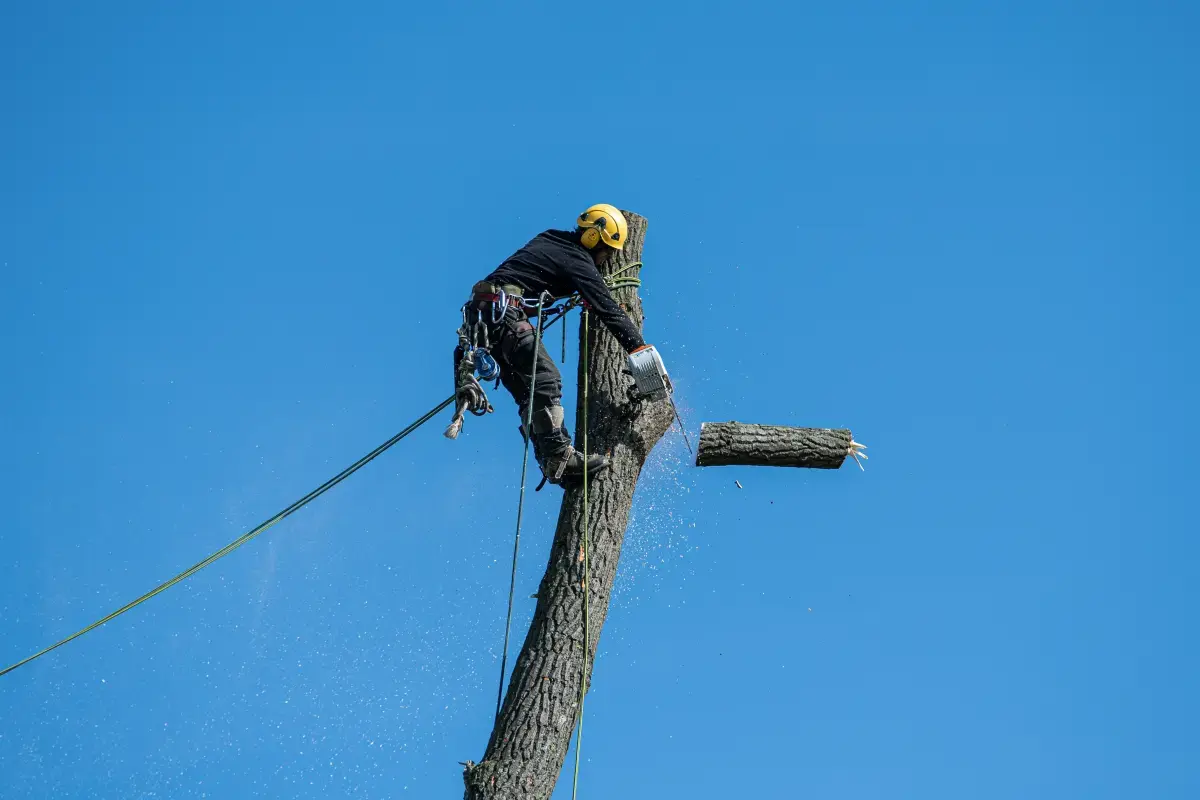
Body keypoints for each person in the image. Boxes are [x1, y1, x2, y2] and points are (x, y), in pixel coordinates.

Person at [451, 204, 666, 486]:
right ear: (593, 240)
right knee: (545, 379)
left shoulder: (551, 238)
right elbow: (608, 309)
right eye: (607, 252)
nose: (605, 259)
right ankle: (558, 456)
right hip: (504, 318)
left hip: (485, 324)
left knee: (530, 395)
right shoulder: (577, 259)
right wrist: (641, 351)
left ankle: (552, 462)